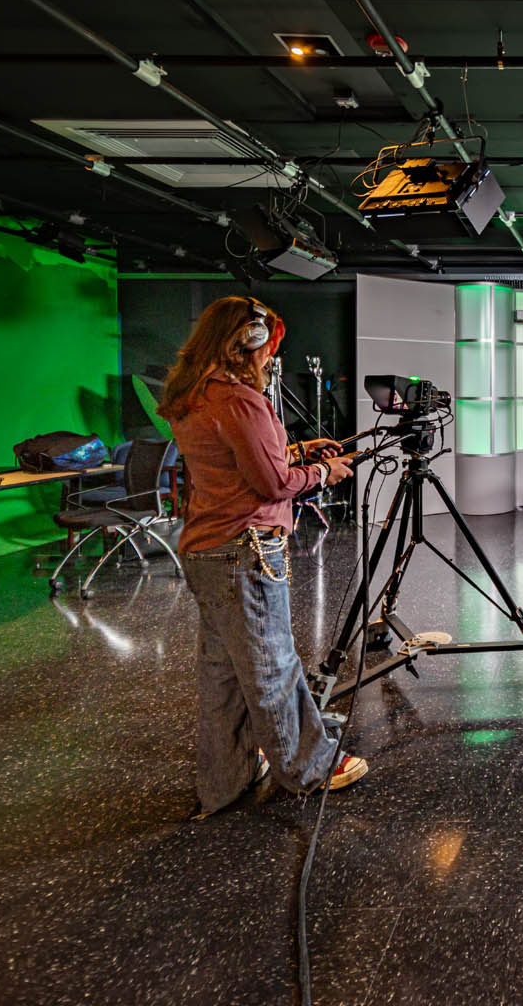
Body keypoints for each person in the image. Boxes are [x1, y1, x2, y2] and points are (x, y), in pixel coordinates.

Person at [157, 295, 367, 816]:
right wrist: (323, 472)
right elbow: (271, 483)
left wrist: (297, 451)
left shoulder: (196, 392)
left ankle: (226, 779)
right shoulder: (238, 400)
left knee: (224, 674)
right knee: (273, 665)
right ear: (244, 343)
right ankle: (309, 767)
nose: (270, 356)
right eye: (266, 346)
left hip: (208, 550)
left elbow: (237, 462)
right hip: (245, 551)